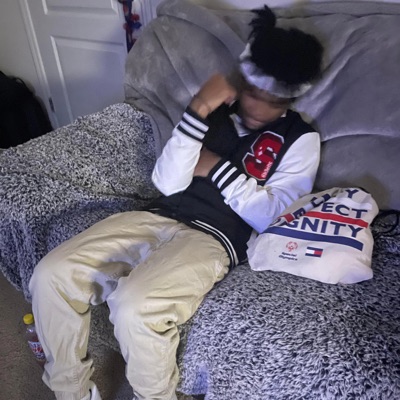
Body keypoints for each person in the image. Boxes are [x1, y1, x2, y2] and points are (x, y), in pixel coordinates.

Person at [29, 5, 324, 400]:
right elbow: (167, 183)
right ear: (244, 80)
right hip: (158, 214)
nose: (258, 108)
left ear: (290, 97)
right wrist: (198, 109)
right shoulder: (213, 111)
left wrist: (215, 168)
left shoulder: (300, 138)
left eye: (274, 101)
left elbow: (271, 217)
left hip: (214, 237)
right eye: (254, 93)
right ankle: (72, 392)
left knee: (135, 306)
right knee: (51, 274)